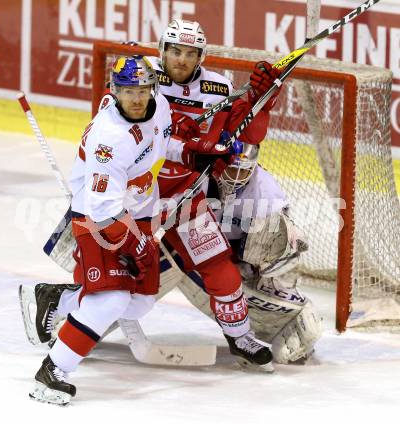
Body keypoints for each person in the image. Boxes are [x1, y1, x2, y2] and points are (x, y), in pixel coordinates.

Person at [22, 20, 281, 378]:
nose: (181, 59)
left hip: (185, 197)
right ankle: (64, 310)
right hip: (134, 202)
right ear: (162, 50)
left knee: (218, 269)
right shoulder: (141, 77)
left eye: (190, 53)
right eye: (175, 50)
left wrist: (258, 102)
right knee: (109, 290)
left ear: (201, 56)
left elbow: (237, 135)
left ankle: (241, 336)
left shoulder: (218, 87)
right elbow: (118, 131)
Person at [27, 55, 231, 405]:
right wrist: (135, 244)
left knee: (139, 303)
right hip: (95, 216)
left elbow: (161, 143)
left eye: (142, 90)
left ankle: (59, 299)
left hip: (137, 209)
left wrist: (193, 155)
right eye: (127, 91)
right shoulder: (110, 140)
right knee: (112, 299)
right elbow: (103, 211)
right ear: (114, 91)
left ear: (153, 89)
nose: (136, 98)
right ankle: (52, 371)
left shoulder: (160, 106)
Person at [162, 139, 322, 364]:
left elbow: (281, 255)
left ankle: (245, 334)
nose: (236, 177)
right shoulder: (195, 179)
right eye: (231, 169)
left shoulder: (267, 194)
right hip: (193, 254)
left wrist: (276, 256)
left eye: (243, 171)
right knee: (159, 261)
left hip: (239, 266)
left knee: (305, 325)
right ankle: (100, 319)